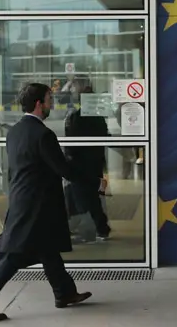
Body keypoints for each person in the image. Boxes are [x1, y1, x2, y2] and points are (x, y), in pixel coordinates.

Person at [0, 83, 107, 323]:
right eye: (49, 99)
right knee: (13, 256)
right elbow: (64, 169)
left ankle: (64, 293)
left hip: (25, 200)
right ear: (38, 104)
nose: (52, 103)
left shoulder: (15, 132)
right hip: (37, 204)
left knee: (48, 248)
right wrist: (95, 182)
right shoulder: (43, 135)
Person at [63, 77, 112, 243]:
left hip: (80, 165)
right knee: (89, 197)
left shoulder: (76, 118)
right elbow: (104, 137)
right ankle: (98, 227)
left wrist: (67, 160)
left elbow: (71, 144)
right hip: (95, 163)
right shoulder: (98, 118)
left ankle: (94, 228)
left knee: (85, 198)